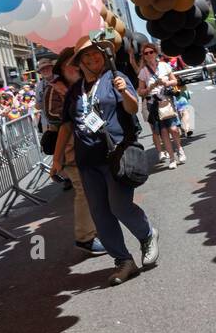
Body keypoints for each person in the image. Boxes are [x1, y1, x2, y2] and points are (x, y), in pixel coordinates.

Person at [55, 33, 157, 286]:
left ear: (103, 56)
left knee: (119, 206)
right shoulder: (75, 92)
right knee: (100, 214)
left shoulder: (116, 78)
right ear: (80, 62)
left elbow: (133, 110)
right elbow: (66, 126)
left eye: (96, 53)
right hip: (86, 160)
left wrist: (126, 94)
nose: (93, 57)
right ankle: (124, 261)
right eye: (87, 55)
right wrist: (56, 160)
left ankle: (147, 234)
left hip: (116, 155)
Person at [46, 47, 105, 256]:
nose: (74, 67)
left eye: (75, 63)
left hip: (88, 147)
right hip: (72, 151)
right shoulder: (57, 89)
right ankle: (85, 237)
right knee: (83, 192)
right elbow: (54, 117)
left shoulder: (81, 86)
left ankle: (96, 231)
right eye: (70, 64)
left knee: (94, 191)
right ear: (62, 68)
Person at [137, 41, 185, 169]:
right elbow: (140, 91)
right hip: (154, 104)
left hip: (167, 101)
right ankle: (172, 158)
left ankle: (179, 149)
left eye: (151, 52)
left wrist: (166, 83)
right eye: (146, 53)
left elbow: (175, 80)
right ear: (144, 56)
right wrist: (150, 87)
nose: (149, 55)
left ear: (155, 53)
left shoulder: (164, 65)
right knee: (163, 132)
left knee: (174, 130)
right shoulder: (143, 72)